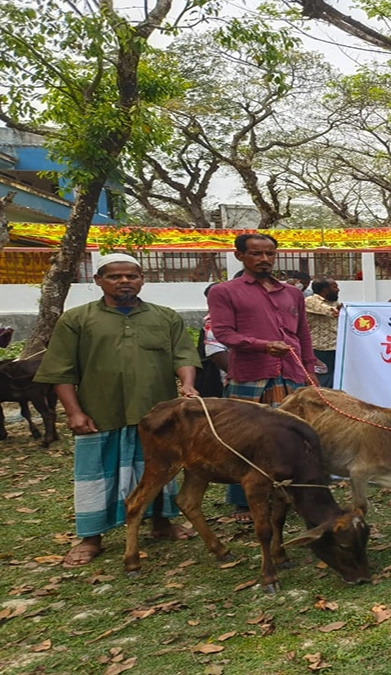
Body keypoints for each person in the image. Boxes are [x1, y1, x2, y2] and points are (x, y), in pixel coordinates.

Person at [34, 253, 199, 567]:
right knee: (96, 476)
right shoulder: (76, 319)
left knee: (159, 468)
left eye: (131, 276)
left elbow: (183, 356)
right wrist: (74, 412)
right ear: (98, 280)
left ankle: (161, 524)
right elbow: (61, 370)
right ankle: (91, 537)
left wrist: (187, 385)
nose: (124, 281)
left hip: (156, 414)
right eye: (114, 276)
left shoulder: (165, 317)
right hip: (101, 411)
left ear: (141, 279)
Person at [207, 233, 318, 519]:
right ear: (240, 256)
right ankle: (243, 501)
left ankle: (285, 493)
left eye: (269, 253)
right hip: (250, 375)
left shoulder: (292, 293)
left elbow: (302, 334)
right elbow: (223, 333)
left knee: (288, 436)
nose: (264, 259)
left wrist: (310, 370)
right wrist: (262, 345)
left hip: (291, 374)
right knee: (243, 437)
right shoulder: (225, 291)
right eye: (256, 253)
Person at [306, 277, 342, 388]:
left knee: (335, 378)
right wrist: (342, 309)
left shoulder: (334, 302)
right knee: (323, 379)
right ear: (325, 289)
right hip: (320, 349)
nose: (338, 289)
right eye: (335, 287)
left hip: (335, 349)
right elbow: (331, 311)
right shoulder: (311, 301)